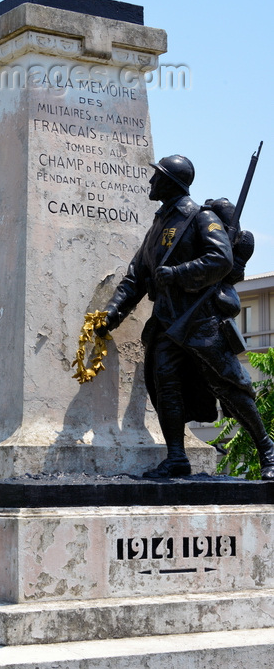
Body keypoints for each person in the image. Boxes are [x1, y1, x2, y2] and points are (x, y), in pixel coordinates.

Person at [97, 155, 274, 479]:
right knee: (166, 386)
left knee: (230, 387)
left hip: (201, 322)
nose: (151, 182)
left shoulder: (200, 218)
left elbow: (220, 259)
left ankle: (268, 450)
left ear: (170, 182)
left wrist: (177, 274)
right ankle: (176, 457)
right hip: (166, 324)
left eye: (157, 177)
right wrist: (111, 314)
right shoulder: (158, 226)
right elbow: (135, 278)